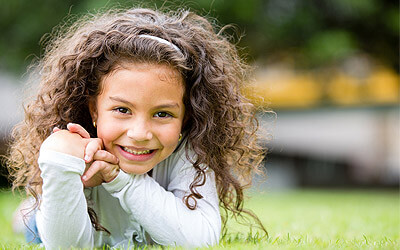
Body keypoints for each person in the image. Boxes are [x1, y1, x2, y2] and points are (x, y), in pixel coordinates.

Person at [7, 7, 266, 249]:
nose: (140, 133)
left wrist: (120, 179)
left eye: (163, 114)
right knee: (33, 225)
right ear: (94, 110)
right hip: (50, 225)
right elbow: (69, 246)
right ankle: (27, 214)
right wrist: (59, 160)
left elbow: (202, 239)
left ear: (186, 118)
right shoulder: (79, 154)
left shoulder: (189, 152)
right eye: (122, 110)